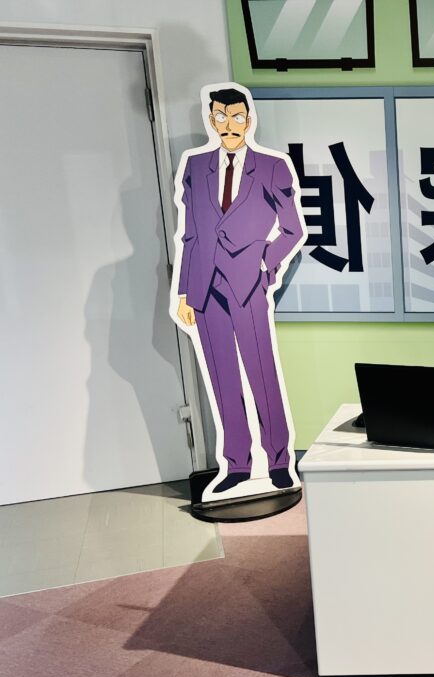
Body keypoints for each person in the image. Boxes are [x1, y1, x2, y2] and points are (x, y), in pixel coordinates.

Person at [175, 88, 303, 493]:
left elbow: (292, 229)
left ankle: (279, 459)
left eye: (236, 117)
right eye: (220, 116)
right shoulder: (196, 167)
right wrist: (185, 292)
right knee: (222, 378)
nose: (228, 125)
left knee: (262, 373)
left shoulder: (271, 168)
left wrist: (265, 263)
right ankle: (237, 464)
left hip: (248, 285)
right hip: (206, 287)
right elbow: (191, 234)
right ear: (211, 119)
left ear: (249, 120)